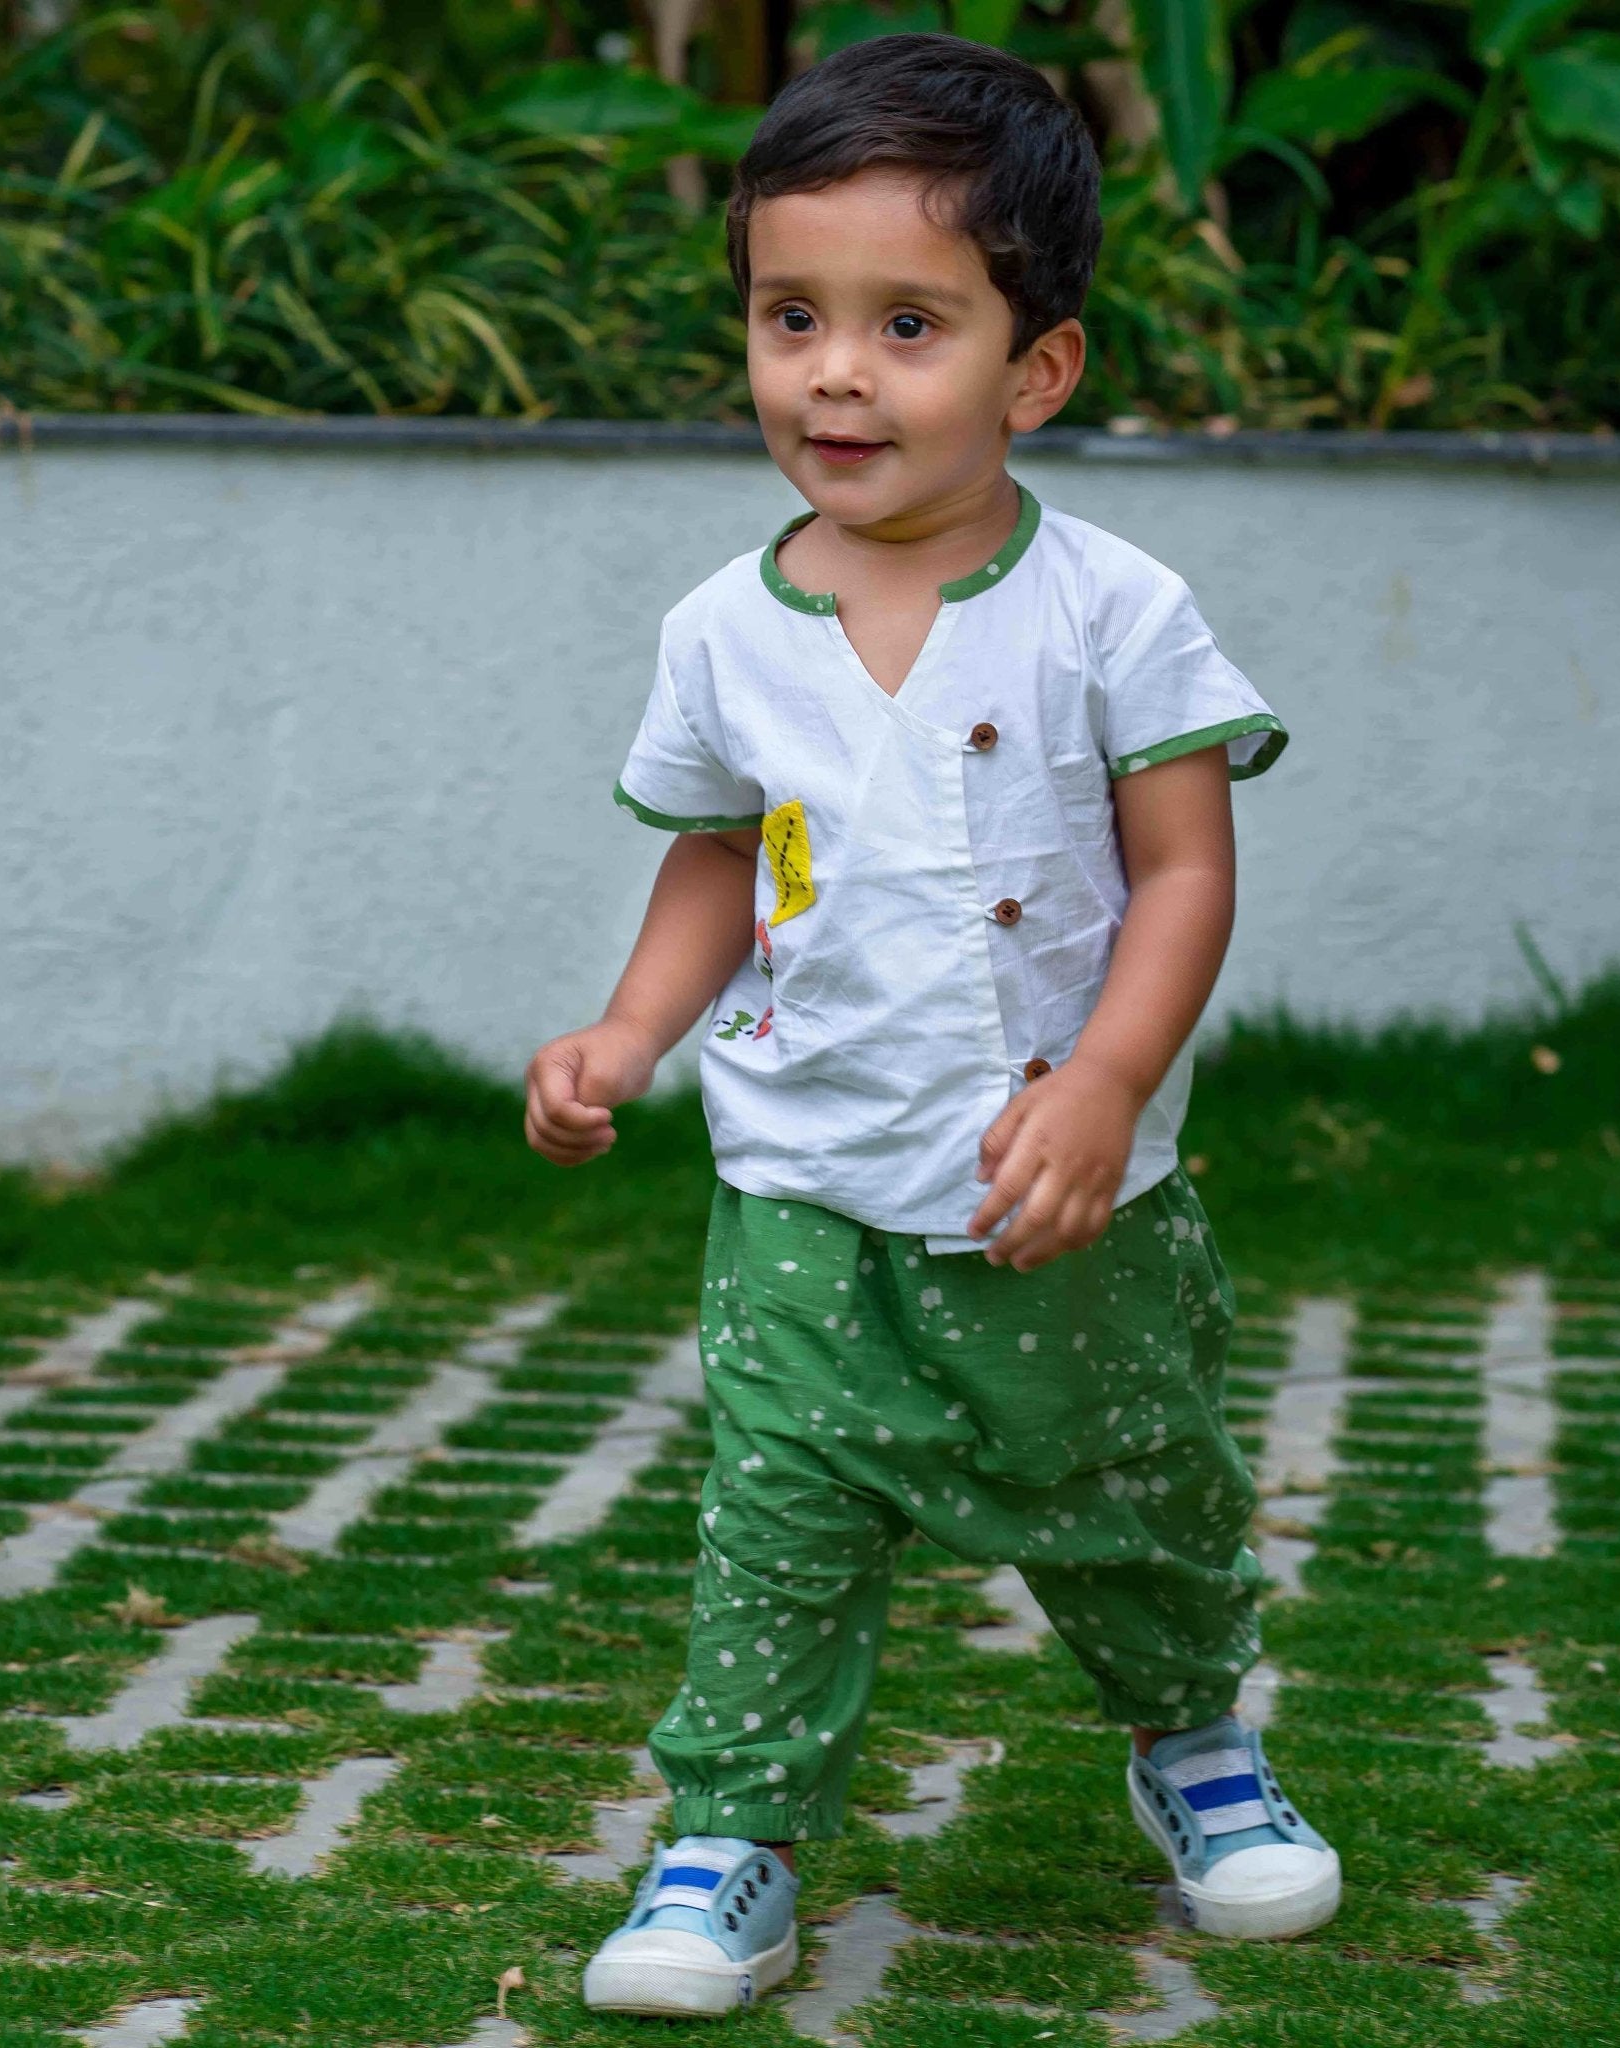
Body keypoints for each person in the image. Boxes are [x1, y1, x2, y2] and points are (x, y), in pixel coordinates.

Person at [522, 30, 1338, 2020]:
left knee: (1131, 1492)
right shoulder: (723, 629)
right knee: (776, 1523)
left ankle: (1191, 1742)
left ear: (1032, 367)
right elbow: (720, 857)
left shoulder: (1110, 609)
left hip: (1059, 1184)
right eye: (789, 314)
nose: (832, 372)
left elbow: (1181, 873)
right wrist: (629, 1034)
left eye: (906, 323)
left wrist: (1109, 1078)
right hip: (804, 1174)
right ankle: (732, 1840)